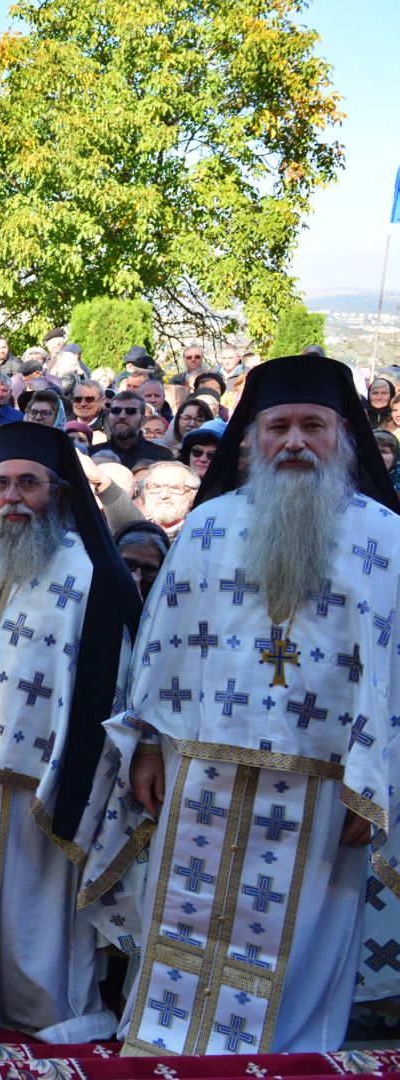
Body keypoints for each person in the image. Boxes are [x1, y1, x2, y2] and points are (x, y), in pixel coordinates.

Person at [88, 354, 400, 1055]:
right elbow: (163, 646)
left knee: (301, 947)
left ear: (342, 434)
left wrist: (380, 786)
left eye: (312, 426)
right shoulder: (208, 526)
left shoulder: (386, 539)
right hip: (202, 778)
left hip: (326, 793)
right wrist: (142, 744)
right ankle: (169, 1060)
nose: (294, 441)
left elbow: (397, 674)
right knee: (185, 926)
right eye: (278, 426)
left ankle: (285, 1064)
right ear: (254, 439)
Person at [0, 421, 141, 1040]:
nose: (11, 497)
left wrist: (78, 785)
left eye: (27, 484)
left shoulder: (94, 574)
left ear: (58, 492)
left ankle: (47, 1018)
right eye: (1, 484)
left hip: (42, 781)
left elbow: (109, 687)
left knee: (34, 913)